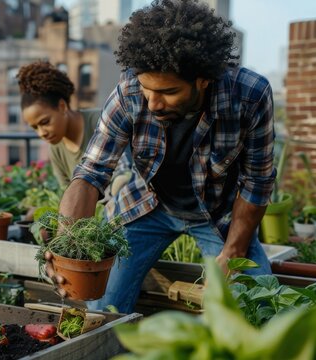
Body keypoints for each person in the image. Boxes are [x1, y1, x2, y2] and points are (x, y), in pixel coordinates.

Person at [47, 0, 276, 314]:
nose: (153, 103)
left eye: (168, 92)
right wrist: (64, 244)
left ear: (203, 80)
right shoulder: (128, 92)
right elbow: (90, 172)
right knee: (101, 307)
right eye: (147, 89)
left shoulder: (250, 95)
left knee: (256, 307)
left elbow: (257, 183)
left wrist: (231, 255)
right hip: (146, 206)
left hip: (217, 214)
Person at [16, 61, 131, 195]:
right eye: (35, 128)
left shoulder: (101, 122)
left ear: (62, 107)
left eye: (45, 122)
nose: (41, 133)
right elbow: (67, 193)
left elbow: (125, 174)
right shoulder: (56, 149)